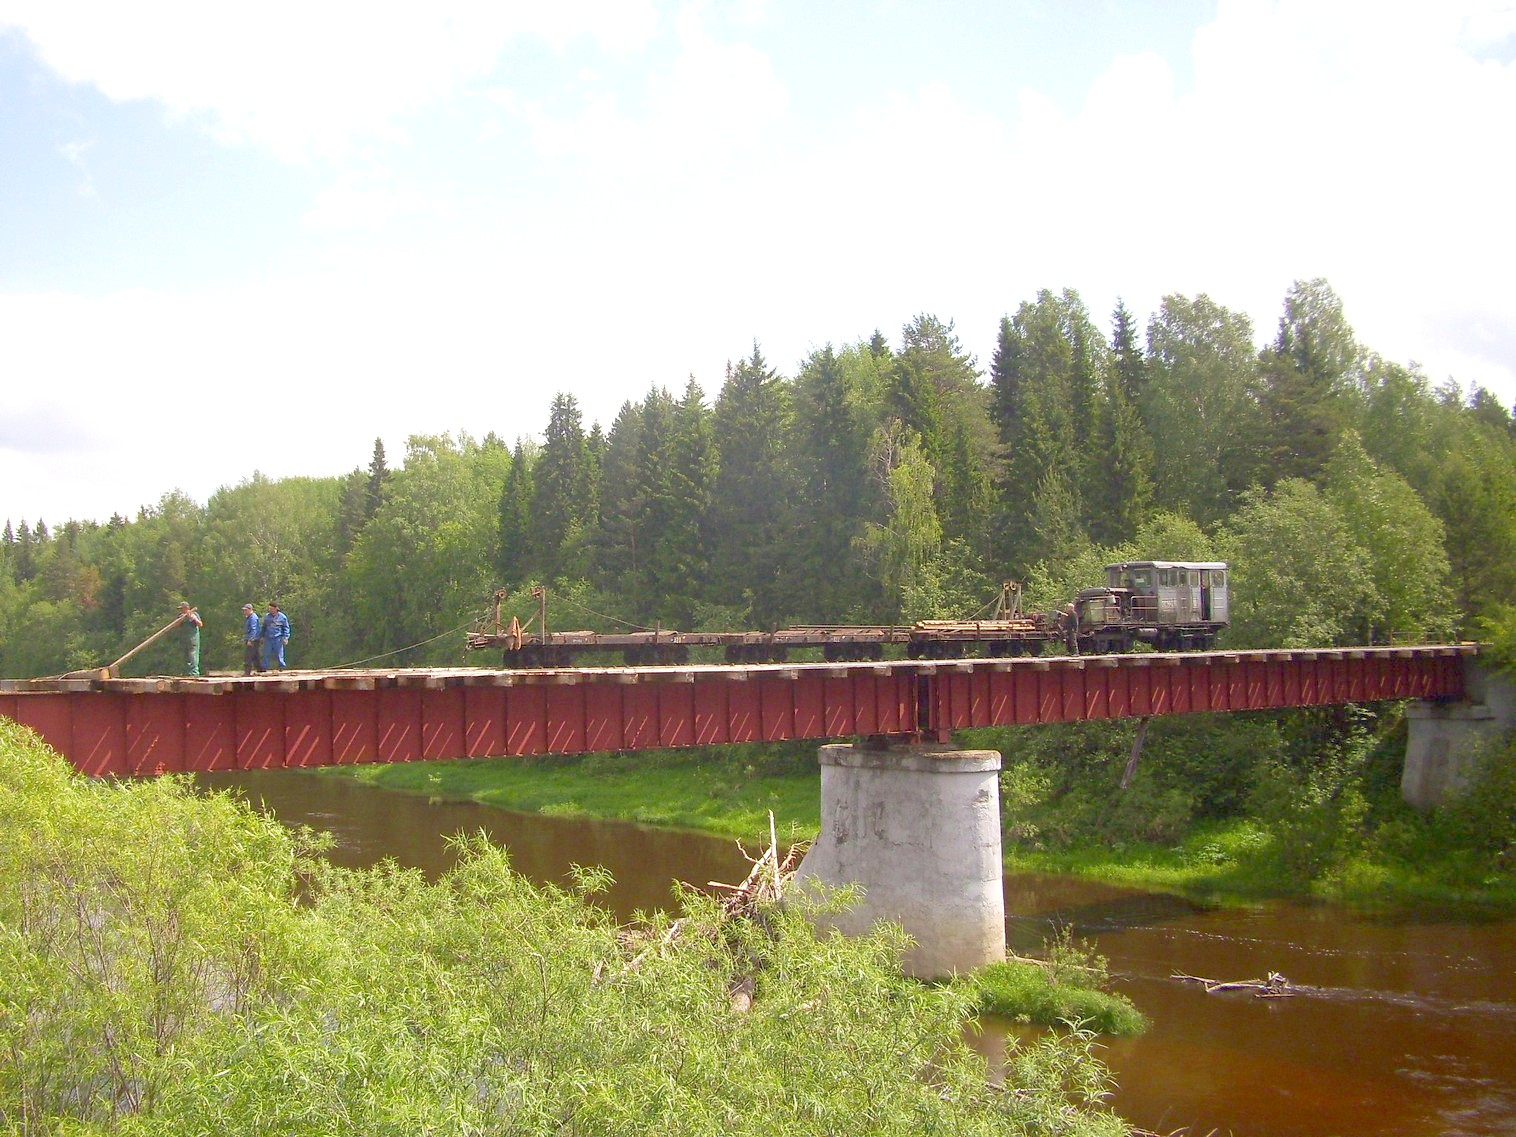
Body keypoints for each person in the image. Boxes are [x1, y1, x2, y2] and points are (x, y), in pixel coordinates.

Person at [260, 601, 291, 670]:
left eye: (271, 608)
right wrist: (262, 636)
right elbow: (264, 627)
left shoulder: (282, 617)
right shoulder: (267, 617)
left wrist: (286, 637)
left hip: (278, 638)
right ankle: (264, 667)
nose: (270, 610)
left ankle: (282, 666)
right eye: (269, 609)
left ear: (276, 609)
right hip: (268, 638)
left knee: (279, 654)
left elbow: (286, 628)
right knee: (266, 653)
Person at [177, 601, 204, 676]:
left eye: (182, 609)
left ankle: (194, 672)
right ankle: (186, 672)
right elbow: (176, 625)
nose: (181, 610)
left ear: (186, 608)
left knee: (193, 655)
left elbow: (200, 624)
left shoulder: (194, 614)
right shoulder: (180, 615)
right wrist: (180, 619)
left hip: (193, 638)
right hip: (184, 638)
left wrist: (193, 618)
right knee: (185, 655)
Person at [241, 603, 263, 675]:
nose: (244, 612)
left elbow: (254, 629)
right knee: (256, 656)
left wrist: (250, 640)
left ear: (250, 609)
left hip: (253, 640)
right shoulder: (249, 617)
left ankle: (247, 672)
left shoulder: (253, 617)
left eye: (246, 610)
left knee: (248, 656)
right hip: (254, 639)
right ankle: (260, 670)